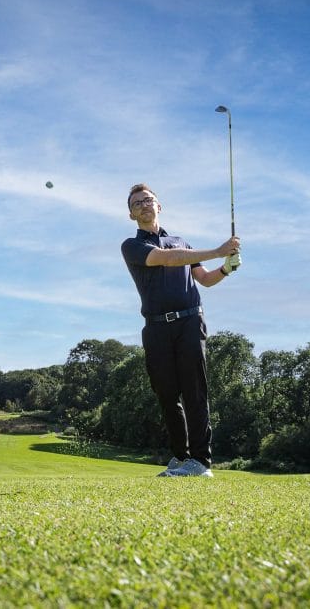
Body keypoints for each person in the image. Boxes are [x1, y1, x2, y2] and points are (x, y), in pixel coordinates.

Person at [121, 183, 241, 477]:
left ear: (158, 206)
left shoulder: (182, 242)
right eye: (137, 204)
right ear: (131, 214)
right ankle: (180, 458)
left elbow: (204, 279)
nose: (144, 205)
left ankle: (201, 462)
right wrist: (218, 250)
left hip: (189, 321)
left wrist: (226, 268)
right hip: (156, 327)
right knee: (167, 395)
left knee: (194, 391)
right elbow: (165, 259)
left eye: (148, 200)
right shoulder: (132, 245)